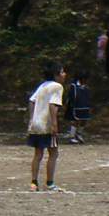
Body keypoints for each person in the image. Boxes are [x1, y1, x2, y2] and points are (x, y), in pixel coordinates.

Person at [27, 63, 66, 191]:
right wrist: (54, 124)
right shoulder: (57, 87)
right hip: (46, 124)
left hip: (36, 123)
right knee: (53, 153)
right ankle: (50, 183)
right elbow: (53, 106)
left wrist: (32, 119)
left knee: (38, 154)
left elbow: (32, 101)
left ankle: (34, 183)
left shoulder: (42, 86)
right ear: (56, 75)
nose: (64, 74)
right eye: (62, 72)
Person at [64, 71, 93, 144]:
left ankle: (79, 133)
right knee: (75, 121)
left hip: (85, 106)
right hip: (76, 107)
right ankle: (72, 136)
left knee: (84, 120)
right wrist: (70, 106)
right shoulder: (74, 86)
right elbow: (71, 97)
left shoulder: (86, 87)